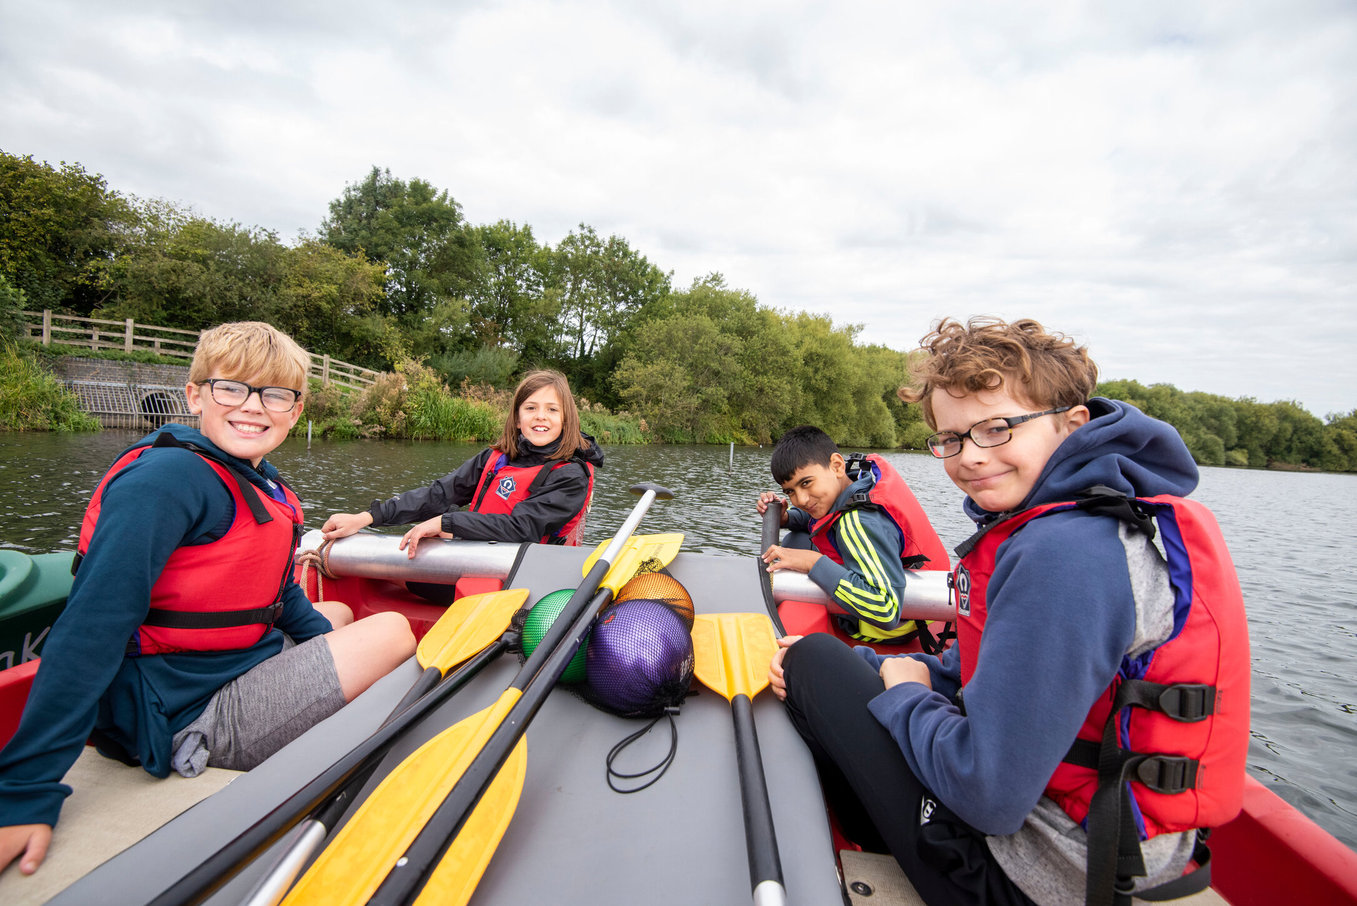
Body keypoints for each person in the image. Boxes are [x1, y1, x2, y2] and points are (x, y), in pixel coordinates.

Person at [769, 317, 1250, 906]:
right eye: (950, 438)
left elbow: (989, 795)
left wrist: (902, 691)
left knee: (814, 662)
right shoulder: (1093, 520)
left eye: (997, 429)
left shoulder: (1066, 553)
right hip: (1110, 851)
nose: (969, 457)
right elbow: (986, 671)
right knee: (842, 664)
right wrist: (878, 665)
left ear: (1072, 425)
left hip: (1047, 876)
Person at [0, 321, 415, 877]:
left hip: (222, 667)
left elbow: (278, 593)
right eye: (232, 388)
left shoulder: (253, 477)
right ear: (195, 394)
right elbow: (90, 627)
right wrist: (26, 788)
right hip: (178, 712)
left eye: (275, 394)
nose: (253, 406)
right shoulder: (167, 480)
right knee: (390, 631)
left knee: (336, 613)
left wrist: (320, 646)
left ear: (295, 410)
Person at [321, 369, 603, 555]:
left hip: (521, 578)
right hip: (471, 559)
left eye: (552, 410)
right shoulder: (496, 457)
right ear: (517, 419)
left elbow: (522, 527)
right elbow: (440, 494)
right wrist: (368, 517)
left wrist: (447, 522)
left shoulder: (570, 476)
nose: (540, 416)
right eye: (531, 408)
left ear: (566, 419)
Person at [756, 426, 949, 646]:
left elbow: (885, 610)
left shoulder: (858, 523)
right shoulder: (856, 481)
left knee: (797, 547)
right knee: (797, 538)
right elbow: (823, 516)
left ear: (837, 466)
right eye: (790, 491)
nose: (800, 499)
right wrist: (787, 519)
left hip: (889, 627)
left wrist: (813, 563)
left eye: (806, 483)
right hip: (913, 609)